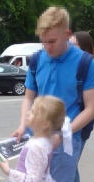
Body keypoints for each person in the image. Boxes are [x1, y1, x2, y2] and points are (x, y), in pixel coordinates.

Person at [11, 6, 94, 182]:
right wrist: (22, 125)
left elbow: (91, 108)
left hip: (67, 140)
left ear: (67, 34)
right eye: (43, 41)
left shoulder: (85, 63)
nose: (47, 47)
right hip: (36, 138)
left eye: (52, 41)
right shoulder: (36, 60)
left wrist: (62, 135)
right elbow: (28, 98)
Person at [0, 96, 65, 182]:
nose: (28, 113)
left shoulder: (37, 146)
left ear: (45, 124)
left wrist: (8, 171)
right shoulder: (47, 139)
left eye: (33, 112)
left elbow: (33, 179)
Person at [69, 31, 94, 182]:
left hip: (81, 127)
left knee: (69, 167)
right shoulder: (72, 66)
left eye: (73, 45)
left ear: (84, 48)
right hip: (67, 124)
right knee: (71, 166)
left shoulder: (89, 68)